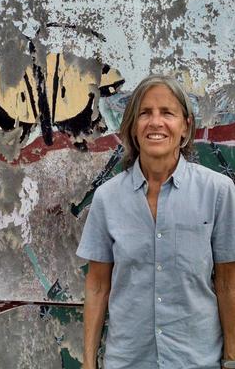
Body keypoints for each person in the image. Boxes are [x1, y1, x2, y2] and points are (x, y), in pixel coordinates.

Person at [76, 74, 235, 369]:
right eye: (145, 113)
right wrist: (88, 363)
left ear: (185, 126)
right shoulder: (107, 198)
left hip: (197, 360)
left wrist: (231, 358)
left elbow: (228, 283)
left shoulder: (219, 192)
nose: (156, 122)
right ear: (133, 127)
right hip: (128, 361)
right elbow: (97, 285)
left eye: (167, 113)